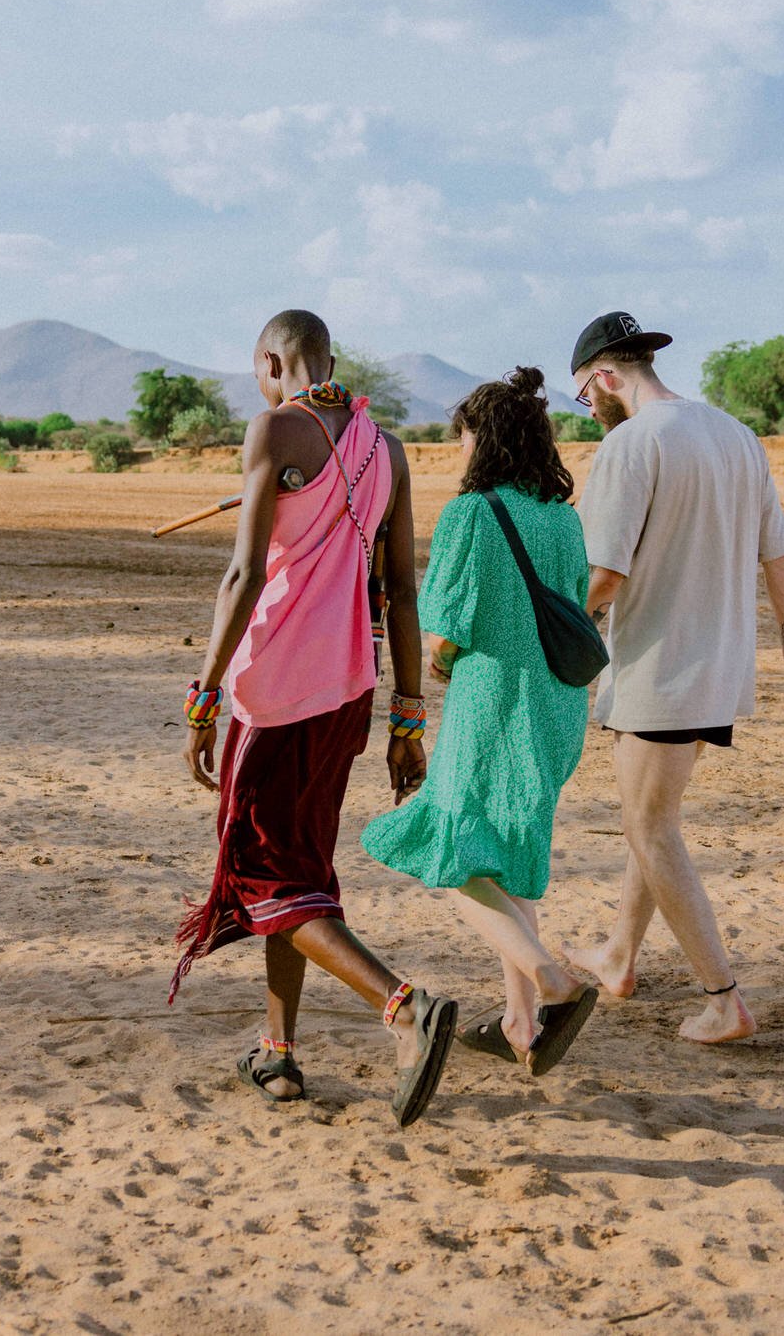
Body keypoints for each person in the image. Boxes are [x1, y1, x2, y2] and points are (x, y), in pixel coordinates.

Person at [171, 309, 459, 1126]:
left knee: (268, 875)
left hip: (278, 691)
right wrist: (410, 719)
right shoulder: (388, 450)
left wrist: (201, 693)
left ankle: (404, 1005)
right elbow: (403, 590)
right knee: (299, 872)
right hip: (350, 693)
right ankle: (280, 1051)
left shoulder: (273, 431)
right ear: (328, 358)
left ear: (271, 360)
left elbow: (241, 574)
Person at [562, 312, 784, 1045]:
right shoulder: (735, 433)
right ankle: (618, 956)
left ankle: (723, 998)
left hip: (659, 667)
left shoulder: (632, 443)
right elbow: (782, 559)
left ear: (604, 378)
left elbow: (604, 575)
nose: (591, 411)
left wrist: (552, 641)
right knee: (657, 813)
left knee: (649, 823)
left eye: (585, 397)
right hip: (722, 663)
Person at [361, 368, 600, 1074]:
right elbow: (578, 599)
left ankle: (552, 984)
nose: (456, 447)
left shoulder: (473, 513)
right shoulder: (563, 516)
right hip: (558, 701)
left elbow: (446, 624)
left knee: (453, 857)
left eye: (461, 434)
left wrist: (439, 660)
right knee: (514, 856)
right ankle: (522, 1021)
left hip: (493, 700)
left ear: (484, 438)